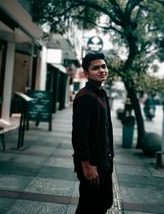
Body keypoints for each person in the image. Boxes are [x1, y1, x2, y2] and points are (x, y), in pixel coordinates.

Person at [72, 52, 114, 214]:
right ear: (86, 73)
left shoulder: (100, 93)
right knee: (89, 208)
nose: (102, 70)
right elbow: (79, 135)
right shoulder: (86, 97)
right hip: (93, 165)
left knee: (102, 204)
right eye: (95, 68)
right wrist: (86, 165)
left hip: (104, 162)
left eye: (103, 66)